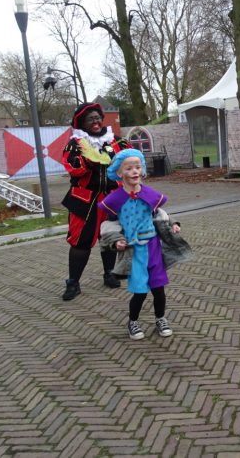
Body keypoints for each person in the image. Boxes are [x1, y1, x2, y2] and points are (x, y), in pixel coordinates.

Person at [99, 149, 177, 340]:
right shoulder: (114, 199)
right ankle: (132, 322)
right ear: (119, 173)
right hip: (134, 251)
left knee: (158, 289)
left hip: (153, 248)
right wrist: (116, 240)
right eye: (129, 168)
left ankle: (161, 318)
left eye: (138, 167)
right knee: (140, 291)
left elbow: (159, 212)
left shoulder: (150, 193)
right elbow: (109, 223)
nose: (135, 172)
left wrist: (173, 224)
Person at [60, 102, 130, 301]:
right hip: (85, 200)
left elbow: (130, 161)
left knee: (109, 237)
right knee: (80, 243)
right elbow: (73, 168)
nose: (96, 121)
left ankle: (110, 273)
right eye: (90, 119)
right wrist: (91, 159)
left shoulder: (117, 141)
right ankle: (73, 282)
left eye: (97, 117)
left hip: (112, 198)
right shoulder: (75, 143)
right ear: (82, 123)